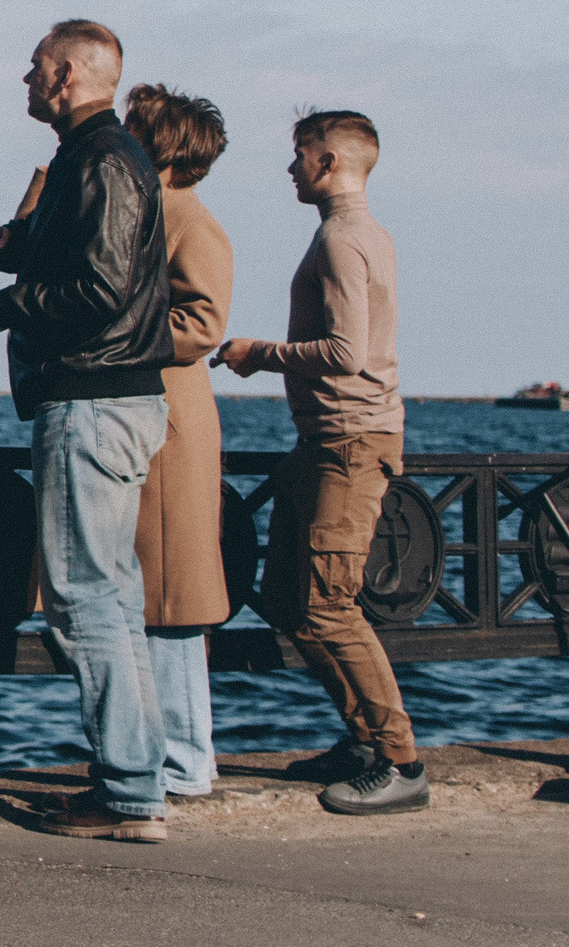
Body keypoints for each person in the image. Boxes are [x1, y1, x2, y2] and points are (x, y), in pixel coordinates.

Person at [0, 20, 175, 841]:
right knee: (112, 596)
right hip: (111, 397)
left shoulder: (103, 160)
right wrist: (5, 249)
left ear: (67, 74)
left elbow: (100, 287)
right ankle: (136, 782)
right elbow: (82, 259)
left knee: (86, 598)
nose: (24, 80)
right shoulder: (96, 162)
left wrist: (4, 307)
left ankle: (127, 792)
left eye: (34, 68)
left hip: (91, 399)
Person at [215, 110, 426, 816]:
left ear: (330, 160)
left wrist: (257, 354)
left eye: (299, 154)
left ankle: (402, 763)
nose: (290, 168)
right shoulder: (363, 235)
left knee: (329, 608)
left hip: (349, 443)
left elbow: (346, 354)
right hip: (327, 444)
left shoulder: (341, 240)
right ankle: (363, 741)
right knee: (288, 602)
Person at [121, 84, 235, 800]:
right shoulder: (145, 213)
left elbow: (204, 323)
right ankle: (162, 755)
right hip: (145, 414)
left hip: (170, 422)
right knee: (144, 596)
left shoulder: (190, 221)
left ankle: (186, 760)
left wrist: (116, 340)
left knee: (170, 600)